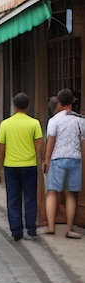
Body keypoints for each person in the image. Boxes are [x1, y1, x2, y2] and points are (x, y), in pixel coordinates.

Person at [0, 92, 43, 241]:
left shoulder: (5, 124)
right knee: (30, 197)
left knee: (13, 198)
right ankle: (31, 229)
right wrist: (39, 163)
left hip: (10, 166)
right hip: (29, 166)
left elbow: (1, 147)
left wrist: (0, 167)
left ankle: (16, 230)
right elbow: (39, 148)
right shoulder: (34, 123)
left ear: (14, 106)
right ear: (27, 105)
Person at [43, 88, 85, 239]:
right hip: (75, 159)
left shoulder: (54, 120)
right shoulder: (80, 120)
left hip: (57, 159)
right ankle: (69, 228)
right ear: (72, 102)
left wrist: (46, 161)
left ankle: (51, 226)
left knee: (52, 192)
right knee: (70, 194)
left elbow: (51, 141)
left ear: (59, 103)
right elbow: (82, 143)